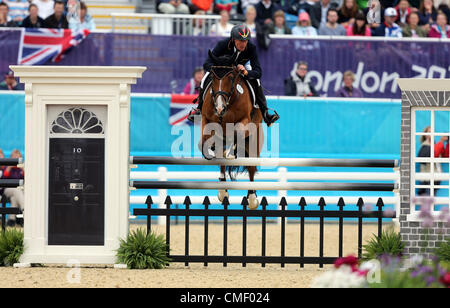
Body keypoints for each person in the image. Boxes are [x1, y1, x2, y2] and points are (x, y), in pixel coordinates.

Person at [187, 24, 280, 126]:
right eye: (240, 40)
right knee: (205, 77)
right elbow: (207, 63)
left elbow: (258, 72)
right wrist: (218, 69)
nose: (243, 44)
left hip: (243, 67)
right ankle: (199, 109)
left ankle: (265, 112)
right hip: (222, 69)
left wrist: (246, 72)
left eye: (245, 41)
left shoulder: (251, 48)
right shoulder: (222, 45)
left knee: (256, 81)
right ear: (233, 39)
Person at [1, 149, 24, 226]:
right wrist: (10, 166)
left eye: (18, 158)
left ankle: (11, 220)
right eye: (14, 158)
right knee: (16, 191)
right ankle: (25, 210)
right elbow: (4, 178)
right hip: (7, 189)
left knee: (14, 197)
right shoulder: (7, 167)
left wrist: (22, 167)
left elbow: (27, 179)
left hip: (18, 191)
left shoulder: (21, 169)